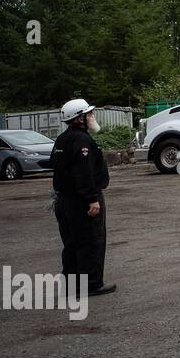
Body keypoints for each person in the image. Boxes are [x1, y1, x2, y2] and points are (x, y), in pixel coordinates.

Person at [51, 99, 115, 297]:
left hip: (64, 201)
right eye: (89, 114)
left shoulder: (62, 139)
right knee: (91, 241)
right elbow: (83, 172)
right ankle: (92, 284)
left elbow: (58, 168)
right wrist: (92, 198)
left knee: (71, 243)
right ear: (79, 118)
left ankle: (71, 285)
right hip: (81, 201)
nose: (92, 117)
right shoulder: (81, 140)